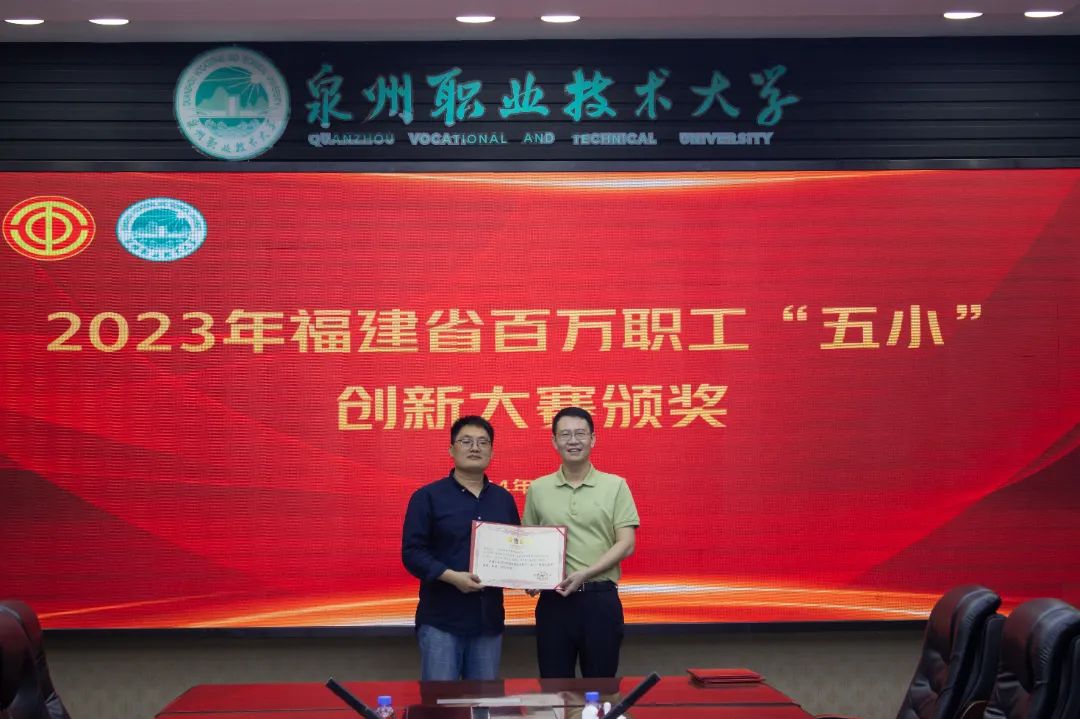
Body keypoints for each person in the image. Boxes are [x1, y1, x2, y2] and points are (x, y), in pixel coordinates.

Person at [523, 406, 640, 678]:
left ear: (593, 439)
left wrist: (586, 573)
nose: (573, 441)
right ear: (554, 441)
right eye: (565, 434)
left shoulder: (615, 485)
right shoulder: (538, 489)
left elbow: (626, 543)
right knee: (554, 687)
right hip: (554, 602)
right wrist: (529, 576)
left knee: (600, 687)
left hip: (600, 600)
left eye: (580, 434)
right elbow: (529, 543)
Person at [402, 415, 520, 680]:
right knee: (440, 702)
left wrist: (530, 578)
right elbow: (412, 553)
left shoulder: (503, 499)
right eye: (466, 441)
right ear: (451, 450)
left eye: (482, 442)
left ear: (491, 451)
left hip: (488, 622)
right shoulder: (427, 497)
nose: (475, 448)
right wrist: (452, 577)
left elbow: (515, 551)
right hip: (442, 622)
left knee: (484, 701)